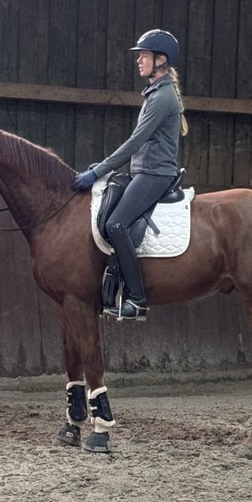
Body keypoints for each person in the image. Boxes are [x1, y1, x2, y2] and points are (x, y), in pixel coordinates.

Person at [72, 29, 189, 320]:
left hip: (155, 174)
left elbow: (135, 142)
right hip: (143, 171)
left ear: (161, 60)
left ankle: (136, 299)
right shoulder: (155, 93)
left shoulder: (162, 98)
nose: (138, 61)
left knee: (116, 224)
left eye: (144, 56)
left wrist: (98, 171)